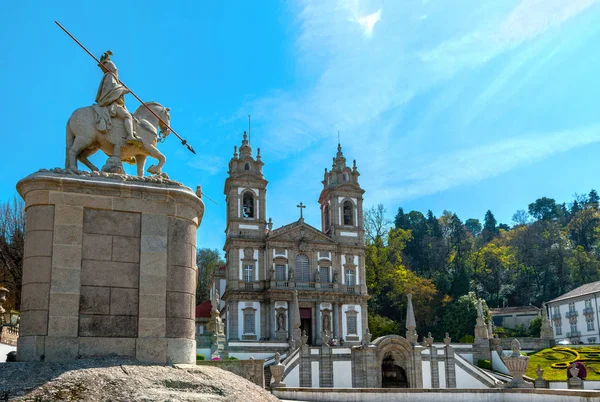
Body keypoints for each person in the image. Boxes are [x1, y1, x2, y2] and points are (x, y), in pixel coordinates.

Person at [94, 51, 140, 143]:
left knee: (132, 117)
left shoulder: (111, 77)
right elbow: (111, 93)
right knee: (127, 116)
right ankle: (130, 136)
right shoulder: (110, 76)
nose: (116, 70)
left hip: (115, 104)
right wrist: (123, 90)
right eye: (115, 69)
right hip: (111, 105)